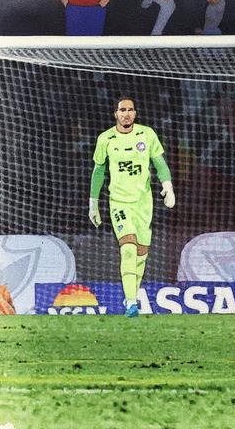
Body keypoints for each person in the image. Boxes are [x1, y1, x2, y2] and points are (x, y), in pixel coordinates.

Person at [89, 97, 176, 317]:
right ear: (115, 114)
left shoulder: (146, 134)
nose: (126, 114)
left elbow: (159, 163)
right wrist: (93, 203)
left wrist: (168, 186)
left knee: (140, 255)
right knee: (127, 249)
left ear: (135, 114)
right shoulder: (105, 139)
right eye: (122, 110)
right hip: (119, 203)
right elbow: (99, 171)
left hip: (144, 204)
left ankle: (133, 299)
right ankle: (130, 304)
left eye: (130, 110)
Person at [51, 0, 116, 36]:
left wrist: (102, 4)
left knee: (94, 41)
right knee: (74, 41)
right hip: (75, 10)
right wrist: (66, 2)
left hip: (95, 11)